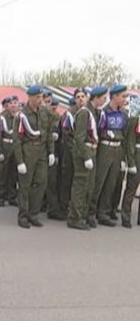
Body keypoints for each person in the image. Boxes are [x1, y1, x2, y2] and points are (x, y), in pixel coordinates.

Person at [13, 84, 55, 228]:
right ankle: (23, 216)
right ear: (29, 97)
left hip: (42, 151)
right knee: (25, 185)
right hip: (28, 151)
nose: (40, 100)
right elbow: (17, 139)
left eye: (41, 97)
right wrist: (20, 161)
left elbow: (49, 132)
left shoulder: (44, 112)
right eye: (37, 97)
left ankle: (33, 213)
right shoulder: (22, 115)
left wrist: (52, 151)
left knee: (41, 182)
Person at [90, 84, 128, 227]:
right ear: (115, 96)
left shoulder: (124, 114)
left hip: (117, 148)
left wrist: (123, 157)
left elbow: (125, 134)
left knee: (111, 183)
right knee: (99, 181)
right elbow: (96, 132)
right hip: (105, 147)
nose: (125, 99)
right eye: (123, 96)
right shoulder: (103, 112)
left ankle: (103, 213)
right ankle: (91, 212)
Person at [67, 87, 106, 230]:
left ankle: (82, 215)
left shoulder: (94, 112)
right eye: (103, 97)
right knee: (80, 186)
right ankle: (74, 217)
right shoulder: (84, 113)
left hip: (91, 150)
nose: (104, 100)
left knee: (89, 186)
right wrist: (85, 156)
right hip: (84, 152)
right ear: (96, 97)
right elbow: (79, 137)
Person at [0, 96, 19, 207]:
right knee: (3, 172)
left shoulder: (20, 116)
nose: (13, 105)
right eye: (11, 103)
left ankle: (12, 196)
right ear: (8, 105)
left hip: (16, 146)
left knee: (14, 173)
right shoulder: (2, 117)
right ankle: (1, 196)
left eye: (15, 103)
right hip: (5, 146)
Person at [121, 112, 140, 228]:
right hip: (137, 156)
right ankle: (125, 216)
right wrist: (131, 162)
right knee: (131, 189)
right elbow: (130, 142)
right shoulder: (135, 120)